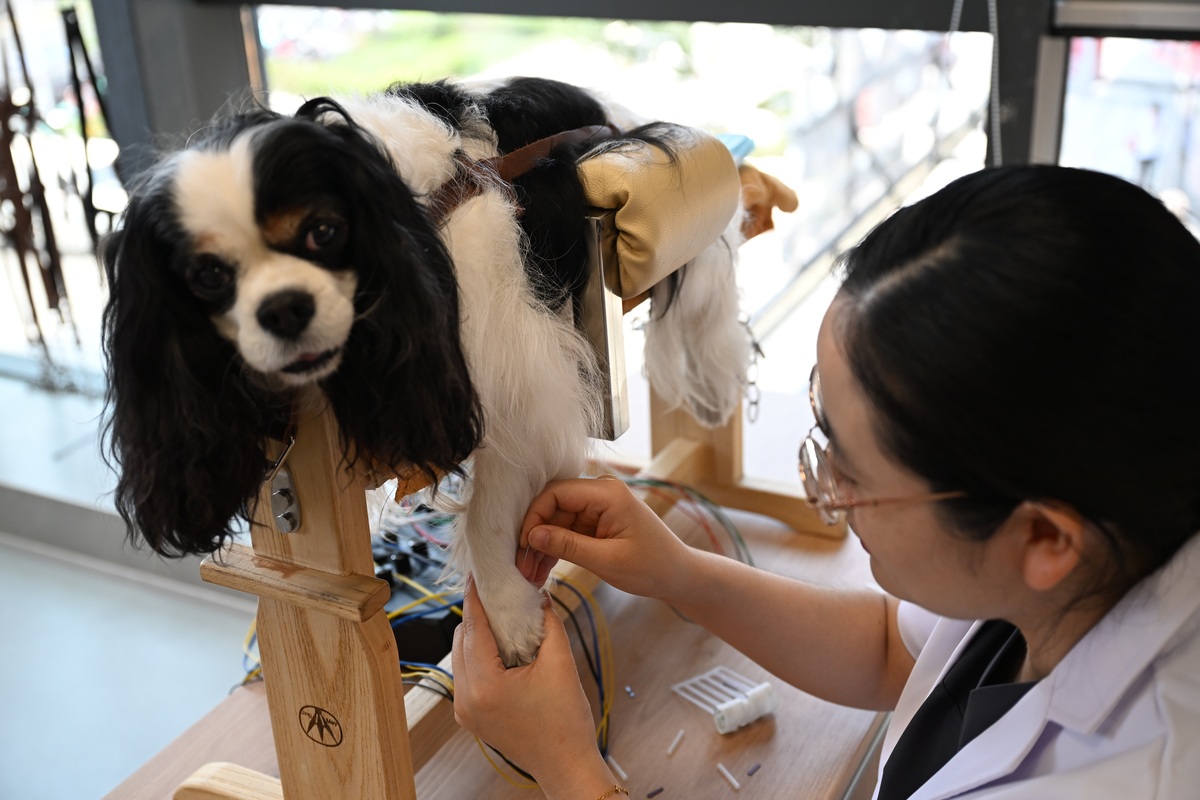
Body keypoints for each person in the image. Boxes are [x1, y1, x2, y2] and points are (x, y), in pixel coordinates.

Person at [450, 164, 1200, 800]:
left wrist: (569, 766)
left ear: (1043, 536)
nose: (826, 489)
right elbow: (896, 653)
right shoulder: (1104, 529)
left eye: (853, 470)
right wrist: (680, 574)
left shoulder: (1141, 773)